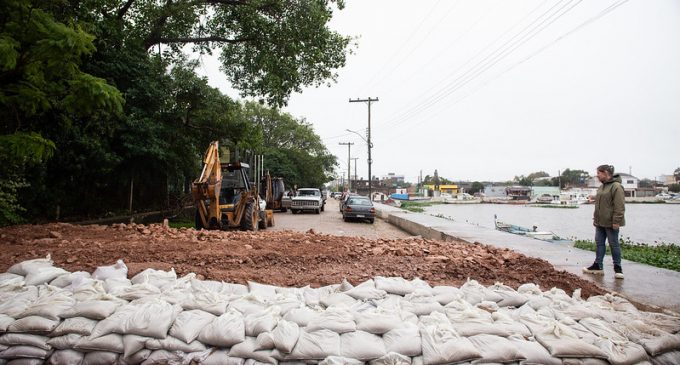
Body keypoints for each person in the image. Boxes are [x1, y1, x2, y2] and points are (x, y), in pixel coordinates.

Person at [583, 164, 626, 279]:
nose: (597, 176)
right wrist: (595, 218)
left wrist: (616, 221)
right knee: (599, 243)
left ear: (606, 173)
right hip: (600, 222)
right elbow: (599, 205)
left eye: (599, 173)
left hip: (611, 222)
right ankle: (598, 266)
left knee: (614, 244)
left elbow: (620, 206)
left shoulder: (616, 187)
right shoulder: (602, 187)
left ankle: (618, 268)